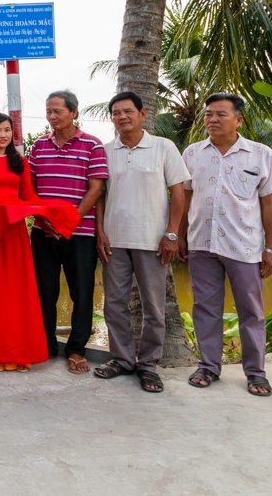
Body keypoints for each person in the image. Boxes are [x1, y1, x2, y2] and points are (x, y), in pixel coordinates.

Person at [178, 93, 272, 397]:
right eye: (209, 114)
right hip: (202, 244)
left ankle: (256, 373)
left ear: (238, 120)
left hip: (245, 247)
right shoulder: (192, 153)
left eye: (221, 114)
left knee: (251, 311)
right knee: (205, 309)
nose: (212, 119)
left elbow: (271, 206)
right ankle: (209, 366)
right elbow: (184, 199)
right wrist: (179, 236)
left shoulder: (260, 154)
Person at [94, 92, 190, 393]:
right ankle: (121, 359)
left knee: (154, 307)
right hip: (115, 241)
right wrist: (100, 232)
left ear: (142, 113)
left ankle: (148, 364)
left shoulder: (163, 147)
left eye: (128, 111)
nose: (122, 117)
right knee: (114, 304)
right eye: (116, 113)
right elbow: (100, 195)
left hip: (153, 241)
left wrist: (172, 233)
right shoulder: (105, 150)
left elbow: (178, 192)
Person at [0, 113, 70, 371]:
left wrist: (45, 212)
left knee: (16, 292)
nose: (3, 135)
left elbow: (28, 194)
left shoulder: (19, 161)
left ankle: (18, 351)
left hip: (14, 232)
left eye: (7, 130)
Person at [28, 90, 107, 374]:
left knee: (82, 293)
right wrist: (43, 217)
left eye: (57, 111)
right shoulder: (38, 146)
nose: (51, 117)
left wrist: (67, 222)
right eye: (48, 111)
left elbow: (96, 189)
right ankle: (46, 346)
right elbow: (30, 188)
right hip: (43, 231)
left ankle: (75, 350)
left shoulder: (93, 146)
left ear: (74, 112)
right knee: (43, 292)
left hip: (80, 233)